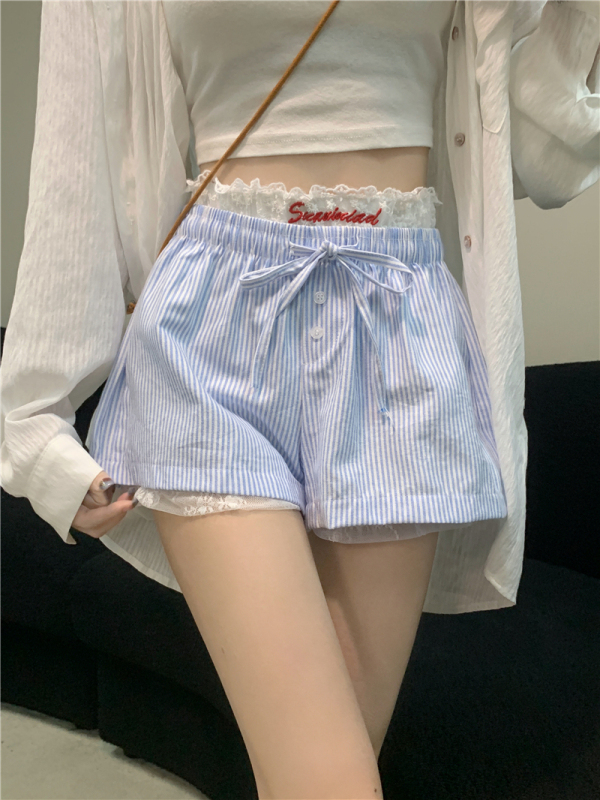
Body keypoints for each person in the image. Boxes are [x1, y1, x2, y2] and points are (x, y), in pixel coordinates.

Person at [1, 2, 598, 798]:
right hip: (213, 327)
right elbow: (76, 146)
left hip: (399, 324)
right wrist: (33, 420)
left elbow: (549, 154)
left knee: (315, 772)